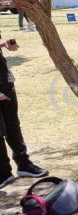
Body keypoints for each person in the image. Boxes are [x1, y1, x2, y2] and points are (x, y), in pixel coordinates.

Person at [0, 35, 48, 193]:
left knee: (12, 124)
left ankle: (24, 163)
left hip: (4, 80)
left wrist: (4, 44)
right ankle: (3, 172)